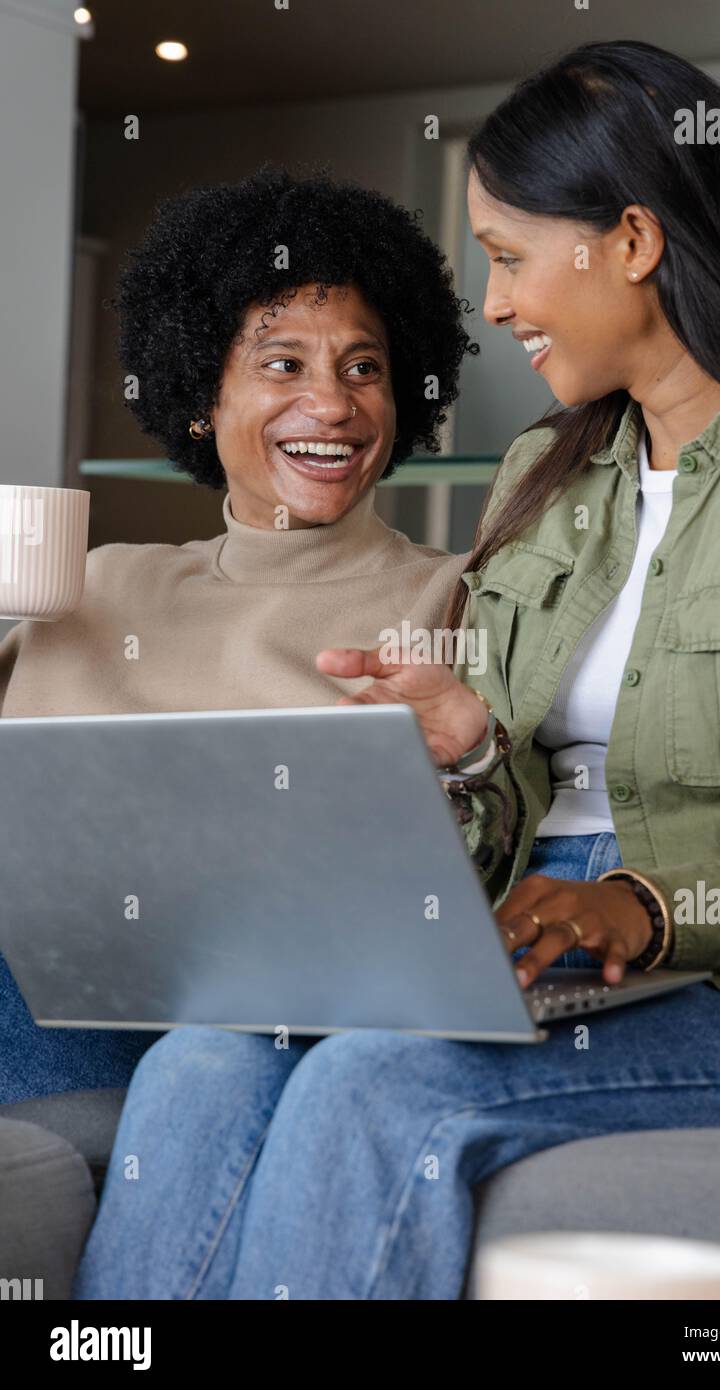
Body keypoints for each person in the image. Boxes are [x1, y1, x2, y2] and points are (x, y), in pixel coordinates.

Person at [74, 40, 720, 1301]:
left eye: (508, 255)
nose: (493, 306)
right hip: (517, 931)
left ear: (631, 244)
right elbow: (512, 814)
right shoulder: (545, 479)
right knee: (203, 1061)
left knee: (371, 1082)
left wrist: (650, 905)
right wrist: (471, 749)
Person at [0, 166, 474, 1104]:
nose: (333, 404)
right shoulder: (88, 584)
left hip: (276, 1019)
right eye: (282, 363)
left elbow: (466, 860)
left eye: (363, 366)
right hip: (49, 988)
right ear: (198, 395)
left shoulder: (454, 600)